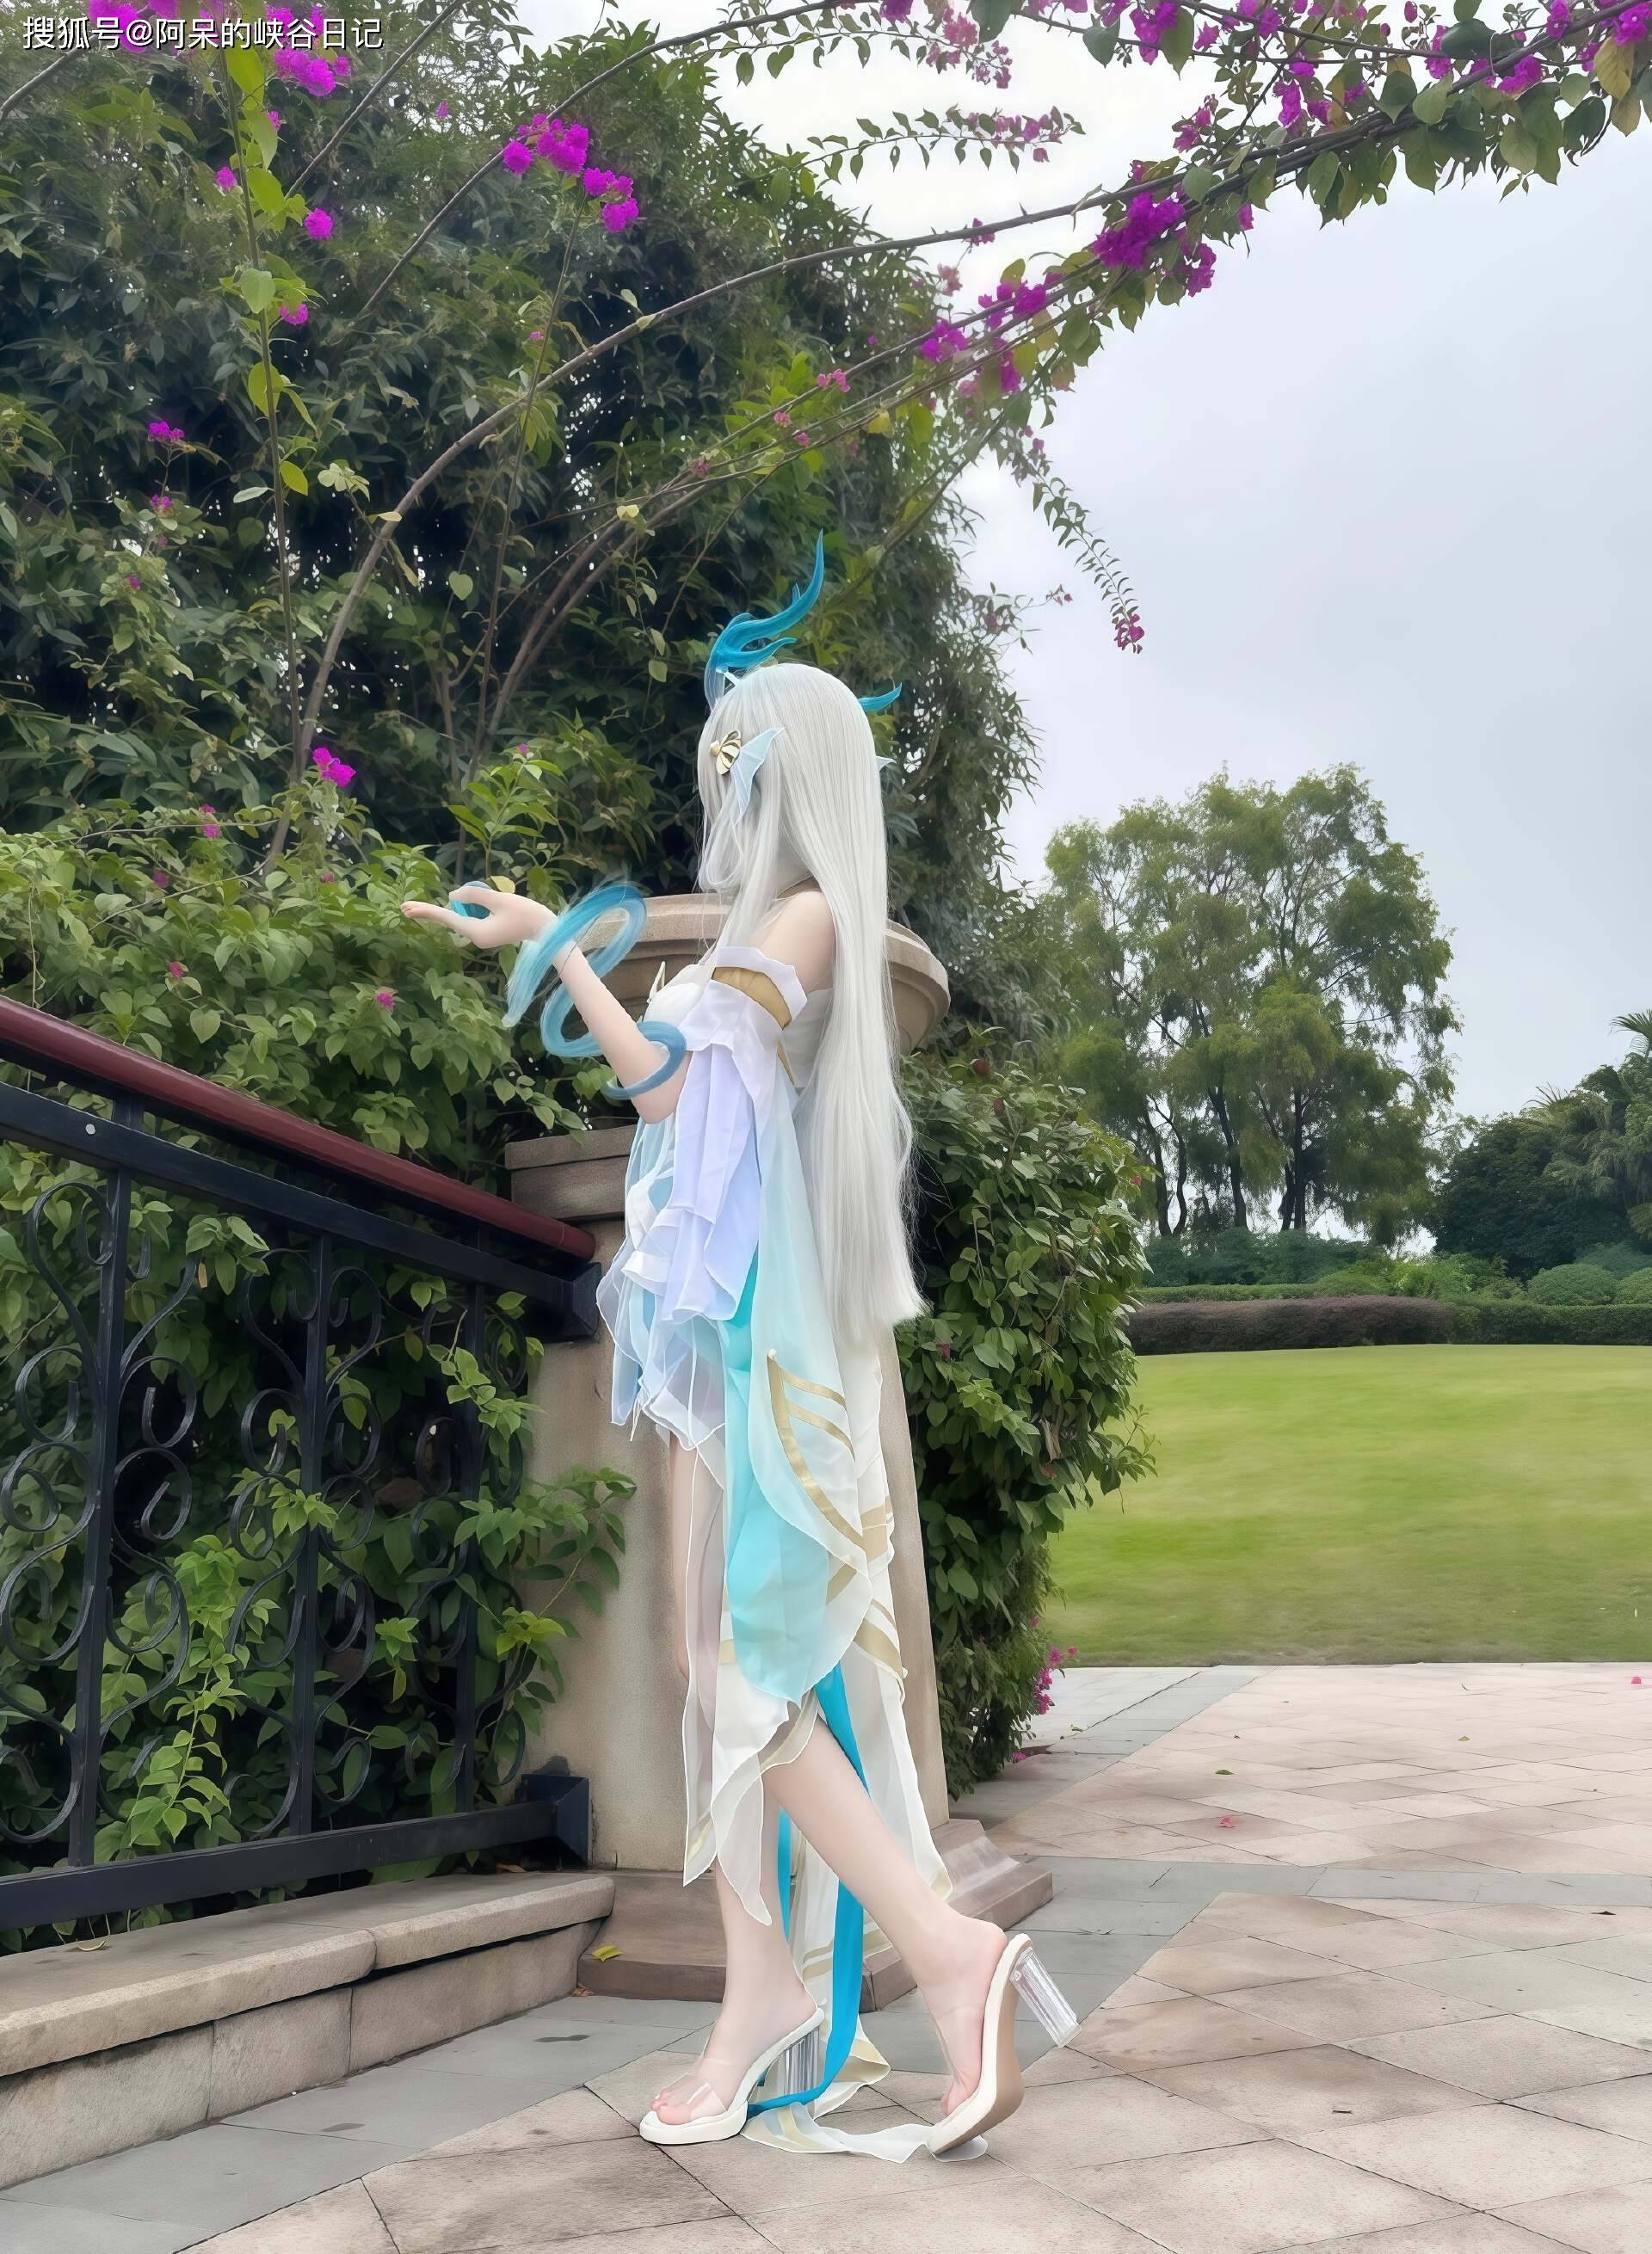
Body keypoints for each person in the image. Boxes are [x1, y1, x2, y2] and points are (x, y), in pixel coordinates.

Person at [403, 553, 1074, 2159]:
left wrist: (618, 951)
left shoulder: (814, 916)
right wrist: (557, 946)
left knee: (750, 1675)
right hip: (735, 1342)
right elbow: (666, 1087)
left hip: (772, 1349)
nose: (723, 790)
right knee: (719, 1672)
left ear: (785, 773)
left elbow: (715, 1050)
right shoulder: (777, 934)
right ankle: (767, 1992)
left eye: (737, 762)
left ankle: (943, 1949)